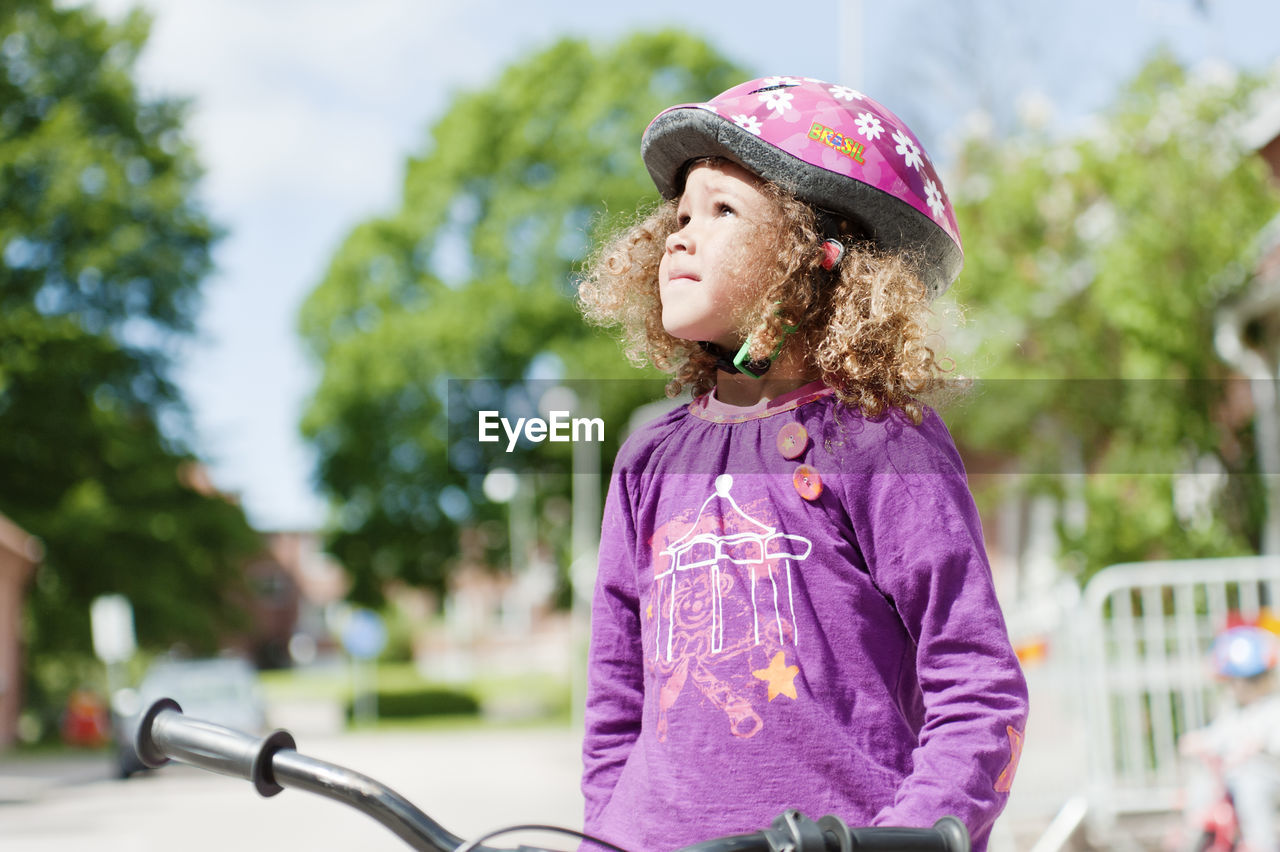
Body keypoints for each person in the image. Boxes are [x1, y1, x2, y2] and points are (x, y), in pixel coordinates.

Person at [575, 76, 1029, 852]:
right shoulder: (649, 458)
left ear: (816, 259)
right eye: (680, 215)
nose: (681, 235)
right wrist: (606, 835)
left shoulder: (881, 442)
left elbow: (977, 691)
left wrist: (911, 836)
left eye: (722, 211)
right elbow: (617, 702)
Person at [1180, 623, 1280, 852]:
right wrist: (1199, 741)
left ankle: (1262, 845)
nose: (1240, 688)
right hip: (1229, 778)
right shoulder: (1233, 713)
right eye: (1235, 682)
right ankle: (1192, 838)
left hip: (1267, 776)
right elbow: (1218, 735)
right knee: (1201, 786)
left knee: (1251, 790)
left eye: (1251, 680)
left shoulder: (1274, 710)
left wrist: (1259, 745)